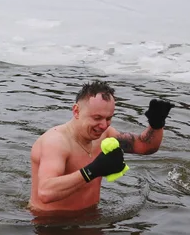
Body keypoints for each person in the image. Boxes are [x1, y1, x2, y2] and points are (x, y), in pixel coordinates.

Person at [29, 81, 173, 213]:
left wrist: (156, 124)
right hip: (50, 224)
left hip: (92, 218)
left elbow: (146, 146)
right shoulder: (56, 142)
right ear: (76, 111)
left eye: (108, 118)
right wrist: (93, 170)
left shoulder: (106, 134)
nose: (104, 125)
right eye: (97, 118)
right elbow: (45, 192)